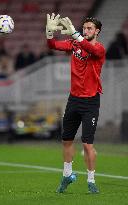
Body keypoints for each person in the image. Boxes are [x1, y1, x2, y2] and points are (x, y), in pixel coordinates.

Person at [46, 13, 105, 194]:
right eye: (84, 27)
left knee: (87, 145)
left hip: (90, 102)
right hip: (74, 99)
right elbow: (53, 45)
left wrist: (75, 35)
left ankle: (91, 180)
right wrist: (49, 32)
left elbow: (91, 49)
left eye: (90, 28)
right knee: (66, 140)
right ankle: (67, 175)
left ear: (97, 32)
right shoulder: (75, 44)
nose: (86, 30)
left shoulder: (100, 49)